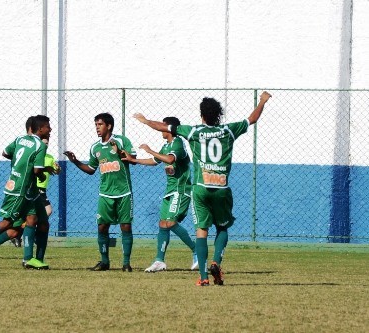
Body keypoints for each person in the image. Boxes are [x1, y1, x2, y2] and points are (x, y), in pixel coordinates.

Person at [133, 91, 272, 286]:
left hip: (200, 188)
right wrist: (262, 101)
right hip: (221, 187)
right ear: (218, 115)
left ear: (202, 115)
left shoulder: (193, 131)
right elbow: (252, 119)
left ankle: (204, 277)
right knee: (222, 227)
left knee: (201, 230)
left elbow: (165, 126)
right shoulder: (229, 130)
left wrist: (146, 121)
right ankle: (216, 261)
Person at [0, 115, 52, 269]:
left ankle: (29, 259)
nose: (50, 129)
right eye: (48, 126)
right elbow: (37, 170)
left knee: (34, 221)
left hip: (27, 190)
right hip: (19, 190)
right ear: (40, 129)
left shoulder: (19, 140)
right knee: (8, 223)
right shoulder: (40, 145)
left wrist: (18, 166)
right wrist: (48, 169)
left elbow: (6, 153)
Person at [121, 117, 198, 272]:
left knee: (170, 222)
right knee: (163, 224)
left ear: (169, 128)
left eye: (163, 126)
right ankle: (159, 261)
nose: (160, 129)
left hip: (180, 191)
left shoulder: (178, 143)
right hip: (169, 192)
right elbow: (154, 160)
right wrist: (133, 160)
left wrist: (149, 149)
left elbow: (169, 158)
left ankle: (197, 251)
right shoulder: (167, 145)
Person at [64, 112, 136, 272]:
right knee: (102, 227)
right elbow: (91, 169)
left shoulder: (121, 141)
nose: (97, 128)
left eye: (100, 124)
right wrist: (75, 161)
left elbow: (132, 159)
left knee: (126, 226)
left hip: (124, 192)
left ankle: (126, 264)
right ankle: (105, 262)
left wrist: (119, 152)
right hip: (105, 194)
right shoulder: (95, 148)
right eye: (96, 125)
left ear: (109, 126)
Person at [11, 137, 61, 262]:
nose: (46, 144)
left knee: (44, 213)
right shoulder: (34, 154)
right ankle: (24, 231)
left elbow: (56, 170)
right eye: (44, 142)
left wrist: (57, 169)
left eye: (47, 143)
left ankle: (23, 232)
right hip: (35, 188)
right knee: (46, 211)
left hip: (43, 190)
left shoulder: (49, 157)